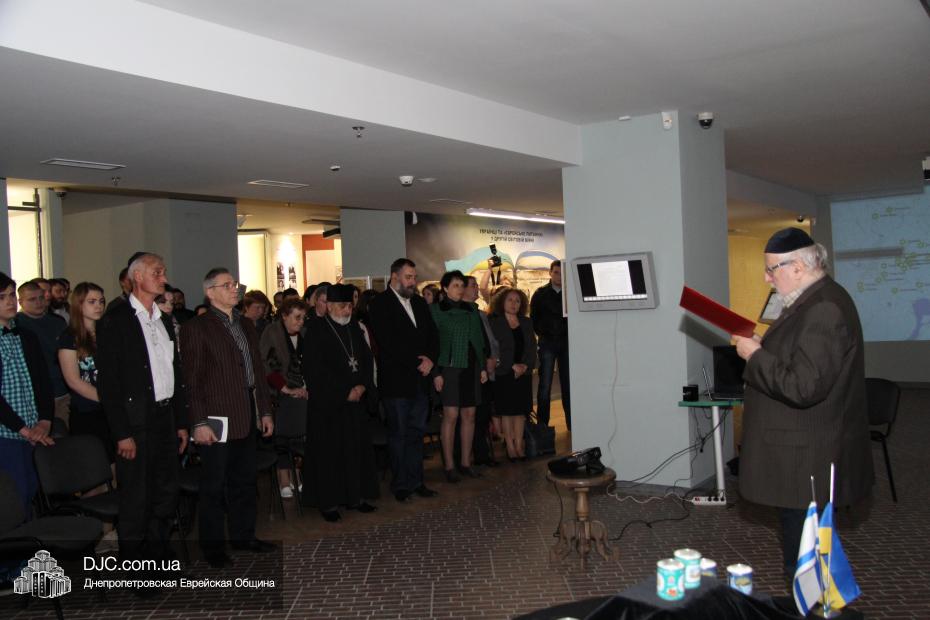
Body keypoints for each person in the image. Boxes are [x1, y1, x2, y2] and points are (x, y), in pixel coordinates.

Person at [731, 227, 874, 578]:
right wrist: (764, 345)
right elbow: (803, 359)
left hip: (806, 457)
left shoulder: (824, 308)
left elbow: (804, 386)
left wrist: (755, 356)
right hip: (802, 455)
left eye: (771, 269)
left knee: (805, 560)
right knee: (805, 554)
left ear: (797, 267)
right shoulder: (815, 298)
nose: (767, 278)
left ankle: (811, 605)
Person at [96, 253, 189, 572]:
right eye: (157, 272)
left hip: (165, 417)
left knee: (165, 492)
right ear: (137, 276)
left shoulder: (162, 320)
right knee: (137, 496)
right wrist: (122, 433)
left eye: (164, 272)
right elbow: (109, 385)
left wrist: (181, 422)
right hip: (135, 422)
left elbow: (174, 372)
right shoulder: (116, 320)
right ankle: (137, 567)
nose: (164, 278)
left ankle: (159, 555)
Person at [181, 267, 275, 568]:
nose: (235, 289)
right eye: (227, 285)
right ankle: (212, 547)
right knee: (214, 485)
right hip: (214, 417)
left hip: (246, 410)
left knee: (244, 481)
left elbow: (257, 370)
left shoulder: (245, 323)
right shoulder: (197, 327)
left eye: (235, 284)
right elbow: (192, 380)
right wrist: (199, 422)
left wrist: (265, 410)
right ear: (210, 292)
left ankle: (243, 535)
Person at [301, 284, 379, 521]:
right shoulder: (316, 331)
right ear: (330, 306)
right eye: (343, 306)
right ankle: (329, 504)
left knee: (356, 451)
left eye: (349, 307)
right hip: (329, 407)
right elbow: (315, 370)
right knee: (330, 455)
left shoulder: (354, 327)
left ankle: (356, 498)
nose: (347, 311)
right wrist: (344, 392)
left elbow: (366, 360)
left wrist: (363, 386)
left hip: (355, 405)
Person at [367, 258, 439, 502]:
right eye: (408, 277)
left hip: (420, 380)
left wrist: (431, 359)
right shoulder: (380, 304)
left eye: (414, 277)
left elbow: (433, 335)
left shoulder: (418, 302)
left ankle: (417, 481)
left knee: (417, 433)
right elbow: (388, 342)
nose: (412, 282)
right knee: (398, 434)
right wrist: (418, 362)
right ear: (394, 277)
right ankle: (401, 485)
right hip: (397, 382)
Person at [0, 272, 54, 518]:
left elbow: (43, 382)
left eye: (12, 295)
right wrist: (23, 429)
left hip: (33, 429)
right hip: (6, 433)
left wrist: (45, 421)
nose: (10, 301)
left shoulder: (26, 336)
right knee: (13, 497)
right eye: (2, 297)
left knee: (32, 491)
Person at [430, 270, 488, 482]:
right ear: (445, 288)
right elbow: (431, 343)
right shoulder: (436, 311)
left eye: (462, 285)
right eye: (455, 285)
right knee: (451, 416)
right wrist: (436, 373)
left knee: (469, 415)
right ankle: (449, 465)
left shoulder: (471, 309)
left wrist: (482, 367)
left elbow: (479, 341)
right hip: (449, 368)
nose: (460, 289)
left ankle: (465, 463)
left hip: (471, 367)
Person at [57, 282, 113, 462]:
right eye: (92, 301)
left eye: (101, 301)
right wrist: (105, 398)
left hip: (112, 408)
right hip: (87, 411)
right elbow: (73, 380)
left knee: (116, 463)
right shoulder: (69, 337)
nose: (98, 306)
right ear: (79, 304)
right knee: (96, 465)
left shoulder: (107, 333)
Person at [259, 297, 309, 498]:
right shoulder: (272, 332)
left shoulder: (304, 334)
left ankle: (297, 474)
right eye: (297, 317)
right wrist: (286, 388)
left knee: (300, 435)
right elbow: (267, 365)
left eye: (303, 317)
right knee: (283, 437)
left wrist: (305, 387)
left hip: (302, 393)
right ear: (284, 316)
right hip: (279, 395)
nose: (301, 322)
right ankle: (284, 478)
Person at [489, 288, 536, 461]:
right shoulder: (495, 322)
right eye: (510, 300)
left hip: (523, 372)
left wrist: (525, 366)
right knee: (507, 412)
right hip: (504, 372)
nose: (514, 304)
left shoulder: (526, 322)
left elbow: (531, 347)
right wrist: (511, 366)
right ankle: (510, 446)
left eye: (517, 301)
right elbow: (494, 349)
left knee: (521, 412)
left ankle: (519, 445)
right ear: (502, 302)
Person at [16, 280, 70, 426]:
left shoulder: (58, 322)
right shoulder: (16, 324)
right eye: (32, 299)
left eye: (41, 297)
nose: (38, 302)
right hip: (32, 394)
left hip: (61, 390)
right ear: (21, 302)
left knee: (62, 431)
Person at [530, 260, 571, 431]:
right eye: (556, 272)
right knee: (545, 385)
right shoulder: (540, 294)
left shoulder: (570, 294)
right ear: (550, 273)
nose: (559, 276)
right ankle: (543, 427)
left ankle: (572, 424)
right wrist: (543, 333)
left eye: (562, 273)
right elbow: (534, 319)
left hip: (566, 342)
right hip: (547, 343)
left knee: (568, 384)